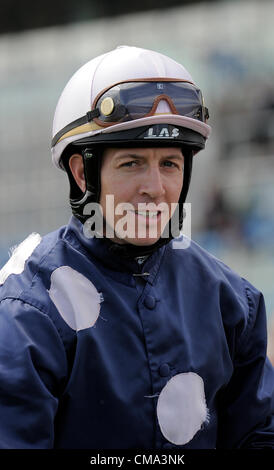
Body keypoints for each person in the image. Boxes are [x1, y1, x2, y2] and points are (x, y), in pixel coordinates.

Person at [0, 45, 273, 450]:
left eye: (170, 164)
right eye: (132, 163)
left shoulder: (232, 300)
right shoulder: (26, 313)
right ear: (81, 172)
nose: (155, 189)